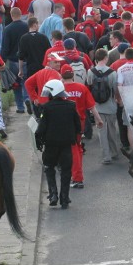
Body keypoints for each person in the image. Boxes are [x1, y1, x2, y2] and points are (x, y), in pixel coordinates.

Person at [35, 79, 81, 209]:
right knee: (66, 171)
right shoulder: (71, 106)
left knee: (49, 168)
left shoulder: (46, 108)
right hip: (67, 145)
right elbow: (78, 126)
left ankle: (53, 194)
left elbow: (41, 129)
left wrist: (39, 141)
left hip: (50, 145)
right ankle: (65, 198)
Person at [88, 49, 121, 164]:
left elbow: (90, 86)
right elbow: (115, 90)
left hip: (97, 107)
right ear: (106, 58)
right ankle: (114, 152)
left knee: (101, 132)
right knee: (112, 130)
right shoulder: (112, 72)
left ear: (96, 59)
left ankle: (106, 156)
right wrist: (118, 100)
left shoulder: (91, 72)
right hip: (110, 106)